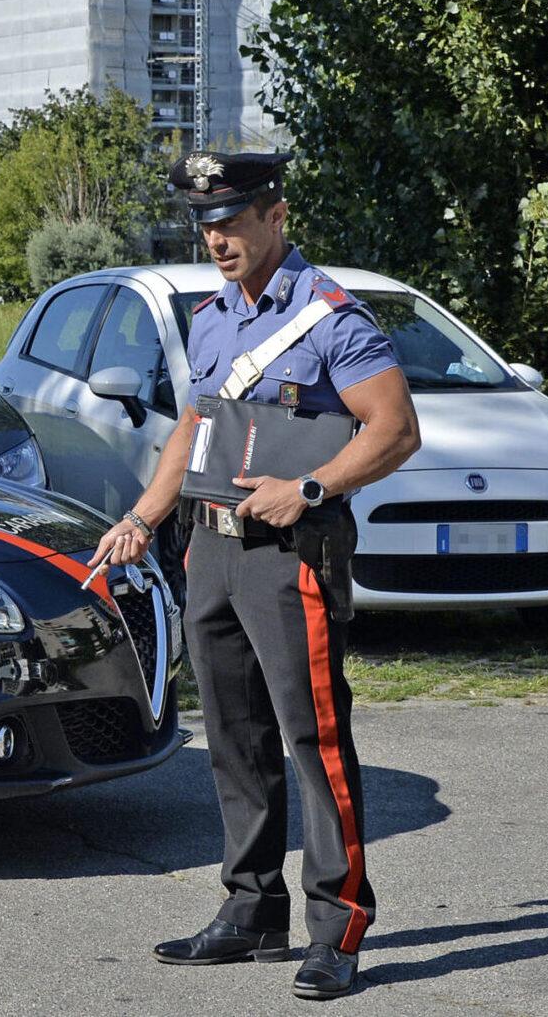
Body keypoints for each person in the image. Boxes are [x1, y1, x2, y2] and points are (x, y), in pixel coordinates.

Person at [85, 150, 421, 999]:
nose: (216, 238)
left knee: (313, 743)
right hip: (214, 550)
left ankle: (336, 927)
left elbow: (393, 431)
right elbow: (191, 429)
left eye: (232, 220)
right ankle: (249, 910)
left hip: (290, 555)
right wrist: (141, 519)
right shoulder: (209, 318)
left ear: (276, 215)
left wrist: (308, 487)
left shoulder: (330, 318)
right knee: (234, 740)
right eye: (206, 224)